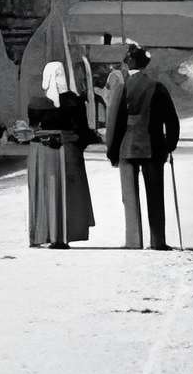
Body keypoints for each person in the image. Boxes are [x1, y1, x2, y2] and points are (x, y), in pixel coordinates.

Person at [104, 43, 183, 250]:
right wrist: (170, 145)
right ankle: (158, 241)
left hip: (127, 148)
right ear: (145, 64)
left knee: (129, 198)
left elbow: (114, 123)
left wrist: (112, 151)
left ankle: (134, 241)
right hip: (154, 147)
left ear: (128, 64)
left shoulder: (122, 87)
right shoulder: (158, 87)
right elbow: (172, 120)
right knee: (156, 195)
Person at [18, 61, 96, 248]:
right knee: (68, 195)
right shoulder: (75, 101)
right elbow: (83, 132)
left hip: (43, 155)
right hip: (69, 152)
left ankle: (46, 234)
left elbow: (31, 129)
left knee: (47, 192)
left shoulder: (36, 103)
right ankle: (65, 235)